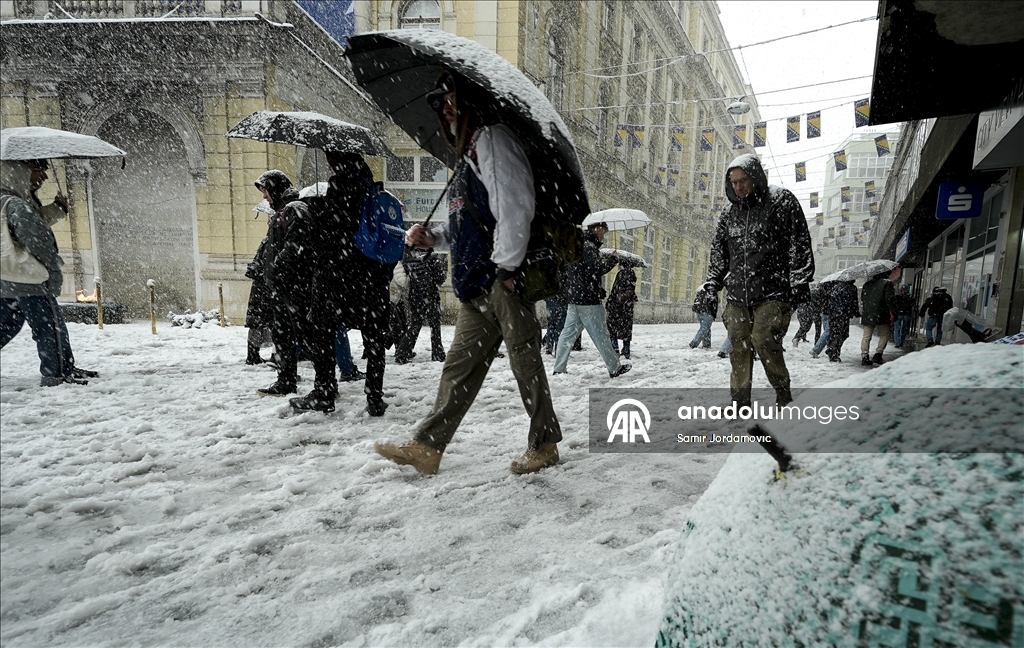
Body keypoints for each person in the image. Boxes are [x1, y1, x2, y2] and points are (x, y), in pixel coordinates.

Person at [374, 70, 561, 475]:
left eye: (450, 100)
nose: (444, 110)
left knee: (525, 363)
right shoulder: (469, 155)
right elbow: (468, 226)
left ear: (471, 102)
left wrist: (507, 268)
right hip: (475, 285)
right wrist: (434, 238)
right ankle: (428, 447)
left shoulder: (494, 140)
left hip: (500, 281)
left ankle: (545, 445)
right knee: (458, 370)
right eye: (439, 104)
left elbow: (515, 207)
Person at [704, 154, 813, 408]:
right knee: (738, 347)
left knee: (764, 340)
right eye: (734, 182)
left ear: (755, 178)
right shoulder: (729, 214)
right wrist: (711, 286)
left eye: (743, 180)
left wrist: (799, 281)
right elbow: (719, 252)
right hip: (737, 295)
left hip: (772, 291)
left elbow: (799, 242)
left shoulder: (781, 202)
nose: (738, 187)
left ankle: (783, 394)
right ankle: (740, 402)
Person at [294, 151, 395, 415]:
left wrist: (317, 211)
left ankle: (325, 392)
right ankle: (374, 397)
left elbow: (326, 236)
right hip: (372, 281)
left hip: (339, 280)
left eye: (331, 163)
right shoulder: (373, 191)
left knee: (323, 333)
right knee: (374, 341)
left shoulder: (340, 189)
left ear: (337, 164)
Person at [1, 158, 96, 386]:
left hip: (5, 278)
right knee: (50, 327)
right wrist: (53, 265)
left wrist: (57, 208)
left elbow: (30, 224)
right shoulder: (17, 204)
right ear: (18, 171)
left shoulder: (6, 200)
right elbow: (36, 237)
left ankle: (61, 368)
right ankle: (58, 372)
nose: (44, 176)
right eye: (38, 170)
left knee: (6, 324)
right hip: (28, 277)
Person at [253, 170, 311, 398]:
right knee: (282, 336)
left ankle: (325, 386)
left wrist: (276, 268)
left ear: (276, 189)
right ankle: (286, 381)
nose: (264, 196)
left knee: (306, 337)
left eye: (266, 190)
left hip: (294, 286)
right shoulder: (283, 210)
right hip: (282, 286)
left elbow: (294, 247)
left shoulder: (294, 209)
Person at [552, 222, 630, 377]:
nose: (604, 235)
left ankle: (559, 368)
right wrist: (613, 260)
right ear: (597, 229)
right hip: (588, 300)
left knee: (567, 335)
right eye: (604, 232)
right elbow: (596, 270)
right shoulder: (589, 247)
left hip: (575, 298)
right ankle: (614, 368)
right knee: (601, 335)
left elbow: (577, 272)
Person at [394, 246, 447, 363]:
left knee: (415, 324)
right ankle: (438, 353)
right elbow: (440, 278)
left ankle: (403, 353)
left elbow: (405, 278)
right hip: (431, 295)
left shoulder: (408, 260)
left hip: (415, 296)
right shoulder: (433, 259)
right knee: (435, 325)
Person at [244, 235, 275, 365]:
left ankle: (253, 355)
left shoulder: (267, 240)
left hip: (260, 287)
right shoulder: (274, 241)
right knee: (274, 322)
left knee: (257, 322)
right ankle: (276, 355)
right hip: (266, 287)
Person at [860, 271, 896, 365]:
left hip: (868, 314)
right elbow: (889, 299)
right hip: (881, 313)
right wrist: (894, 313)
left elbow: (863, 298)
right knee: (884, 334)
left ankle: (864, 356)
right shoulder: (887, 283)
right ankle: (878, 354)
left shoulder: (867, 284)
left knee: (866, 336)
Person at [607, 266, 638, 358]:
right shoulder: (632, 275)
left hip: (617, 307)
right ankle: (626, 350)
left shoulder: (620, 274)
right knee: (626, 329)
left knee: (612, 328)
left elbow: (615, 290)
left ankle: (615, 349)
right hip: (628, 308)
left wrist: (609, 303)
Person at [825, 279, 859, 362]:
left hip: (833, 314)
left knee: (834, 333)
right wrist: (856, 312)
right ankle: (834, 352)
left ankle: (832, 349)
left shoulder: (836, 287)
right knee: (843, 334)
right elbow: (854, 302)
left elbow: (829, 300)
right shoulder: (852, 288)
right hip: (843, 314)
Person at [791, 283, 822, 347]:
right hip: (816, 312)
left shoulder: (809, 292)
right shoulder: (820, 293)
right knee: (818, 328)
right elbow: (821, 303)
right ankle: (817, 343)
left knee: (805, 326)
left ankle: (797, 338)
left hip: (807, 311)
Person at [689, 284, 718, 349]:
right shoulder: (712, 292)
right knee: (704, 328)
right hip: (707, 313)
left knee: (707, 328)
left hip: (700, 312)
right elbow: (713, 304)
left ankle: (706, 344)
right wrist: (713, 314)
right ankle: (694, 343)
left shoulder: (701, 290)